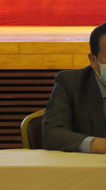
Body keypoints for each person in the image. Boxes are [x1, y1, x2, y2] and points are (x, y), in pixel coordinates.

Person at [43, 22, 106, 152]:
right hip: (88, 164)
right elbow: (52, 134)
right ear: (93, 60)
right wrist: (96, 144)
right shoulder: (71, 83)